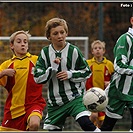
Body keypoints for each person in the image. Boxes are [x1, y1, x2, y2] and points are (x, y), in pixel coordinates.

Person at [33, 17, 101, 131]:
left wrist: (70, 74)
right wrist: (52, 69)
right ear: (49, 36)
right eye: (55, 33)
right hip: (55, 103)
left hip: (74, 98)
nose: (60, 36)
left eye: (62, 32)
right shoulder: (44, 53)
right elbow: (37, 77)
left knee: (86, 124)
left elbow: (87, 72)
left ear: (66, 33)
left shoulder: (73, 51)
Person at [0, 30, 46, 131]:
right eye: (19, 41)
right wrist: (3, 73)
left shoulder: (36, 60)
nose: (23, 44)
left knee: (34, 124)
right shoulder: (6, 65)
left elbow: (51, 68)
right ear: (12, 45)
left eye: (25, 42)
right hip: (13, 110)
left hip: (34, 104)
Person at [100, 12, 133, 131]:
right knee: (108, 126)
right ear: (132, 21)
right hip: (119, 90)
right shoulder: (126, 39)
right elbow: (119, 65)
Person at [85, 40, 114, 128]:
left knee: (102, 121)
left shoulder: (109, 64)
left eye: (100, 48)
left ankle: (96, 129)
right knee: (93, 116)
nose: (98, 50)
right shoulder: (88, 63)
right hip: (90, 96)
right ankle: (88, 128)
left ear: (104, 51)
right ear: (92, 51)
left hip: (104, 97)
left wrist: (110, 82)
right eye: (95, 48)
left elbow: (115, 77)